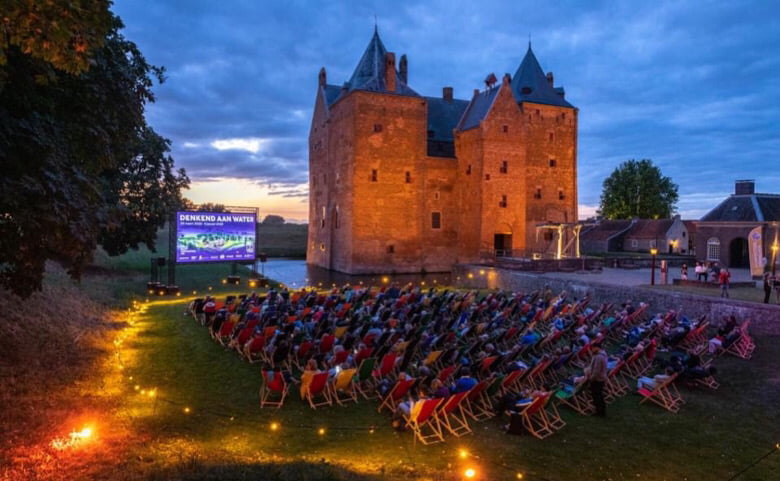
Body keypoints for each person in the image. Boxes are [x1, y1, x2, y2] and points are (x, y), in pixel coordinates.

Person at [587, 344, 608, 417]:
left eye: (592, 348)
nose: (592, 350)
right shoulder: (602, 355)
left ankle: (599, 412)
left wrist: (591, 379)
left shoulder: (599, 357)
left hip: (597, 379)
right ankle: (601, 410)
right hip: (601, 378)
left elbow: (596, 371)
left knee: (597, 395)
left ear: (597, 348)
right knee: (599, 395)